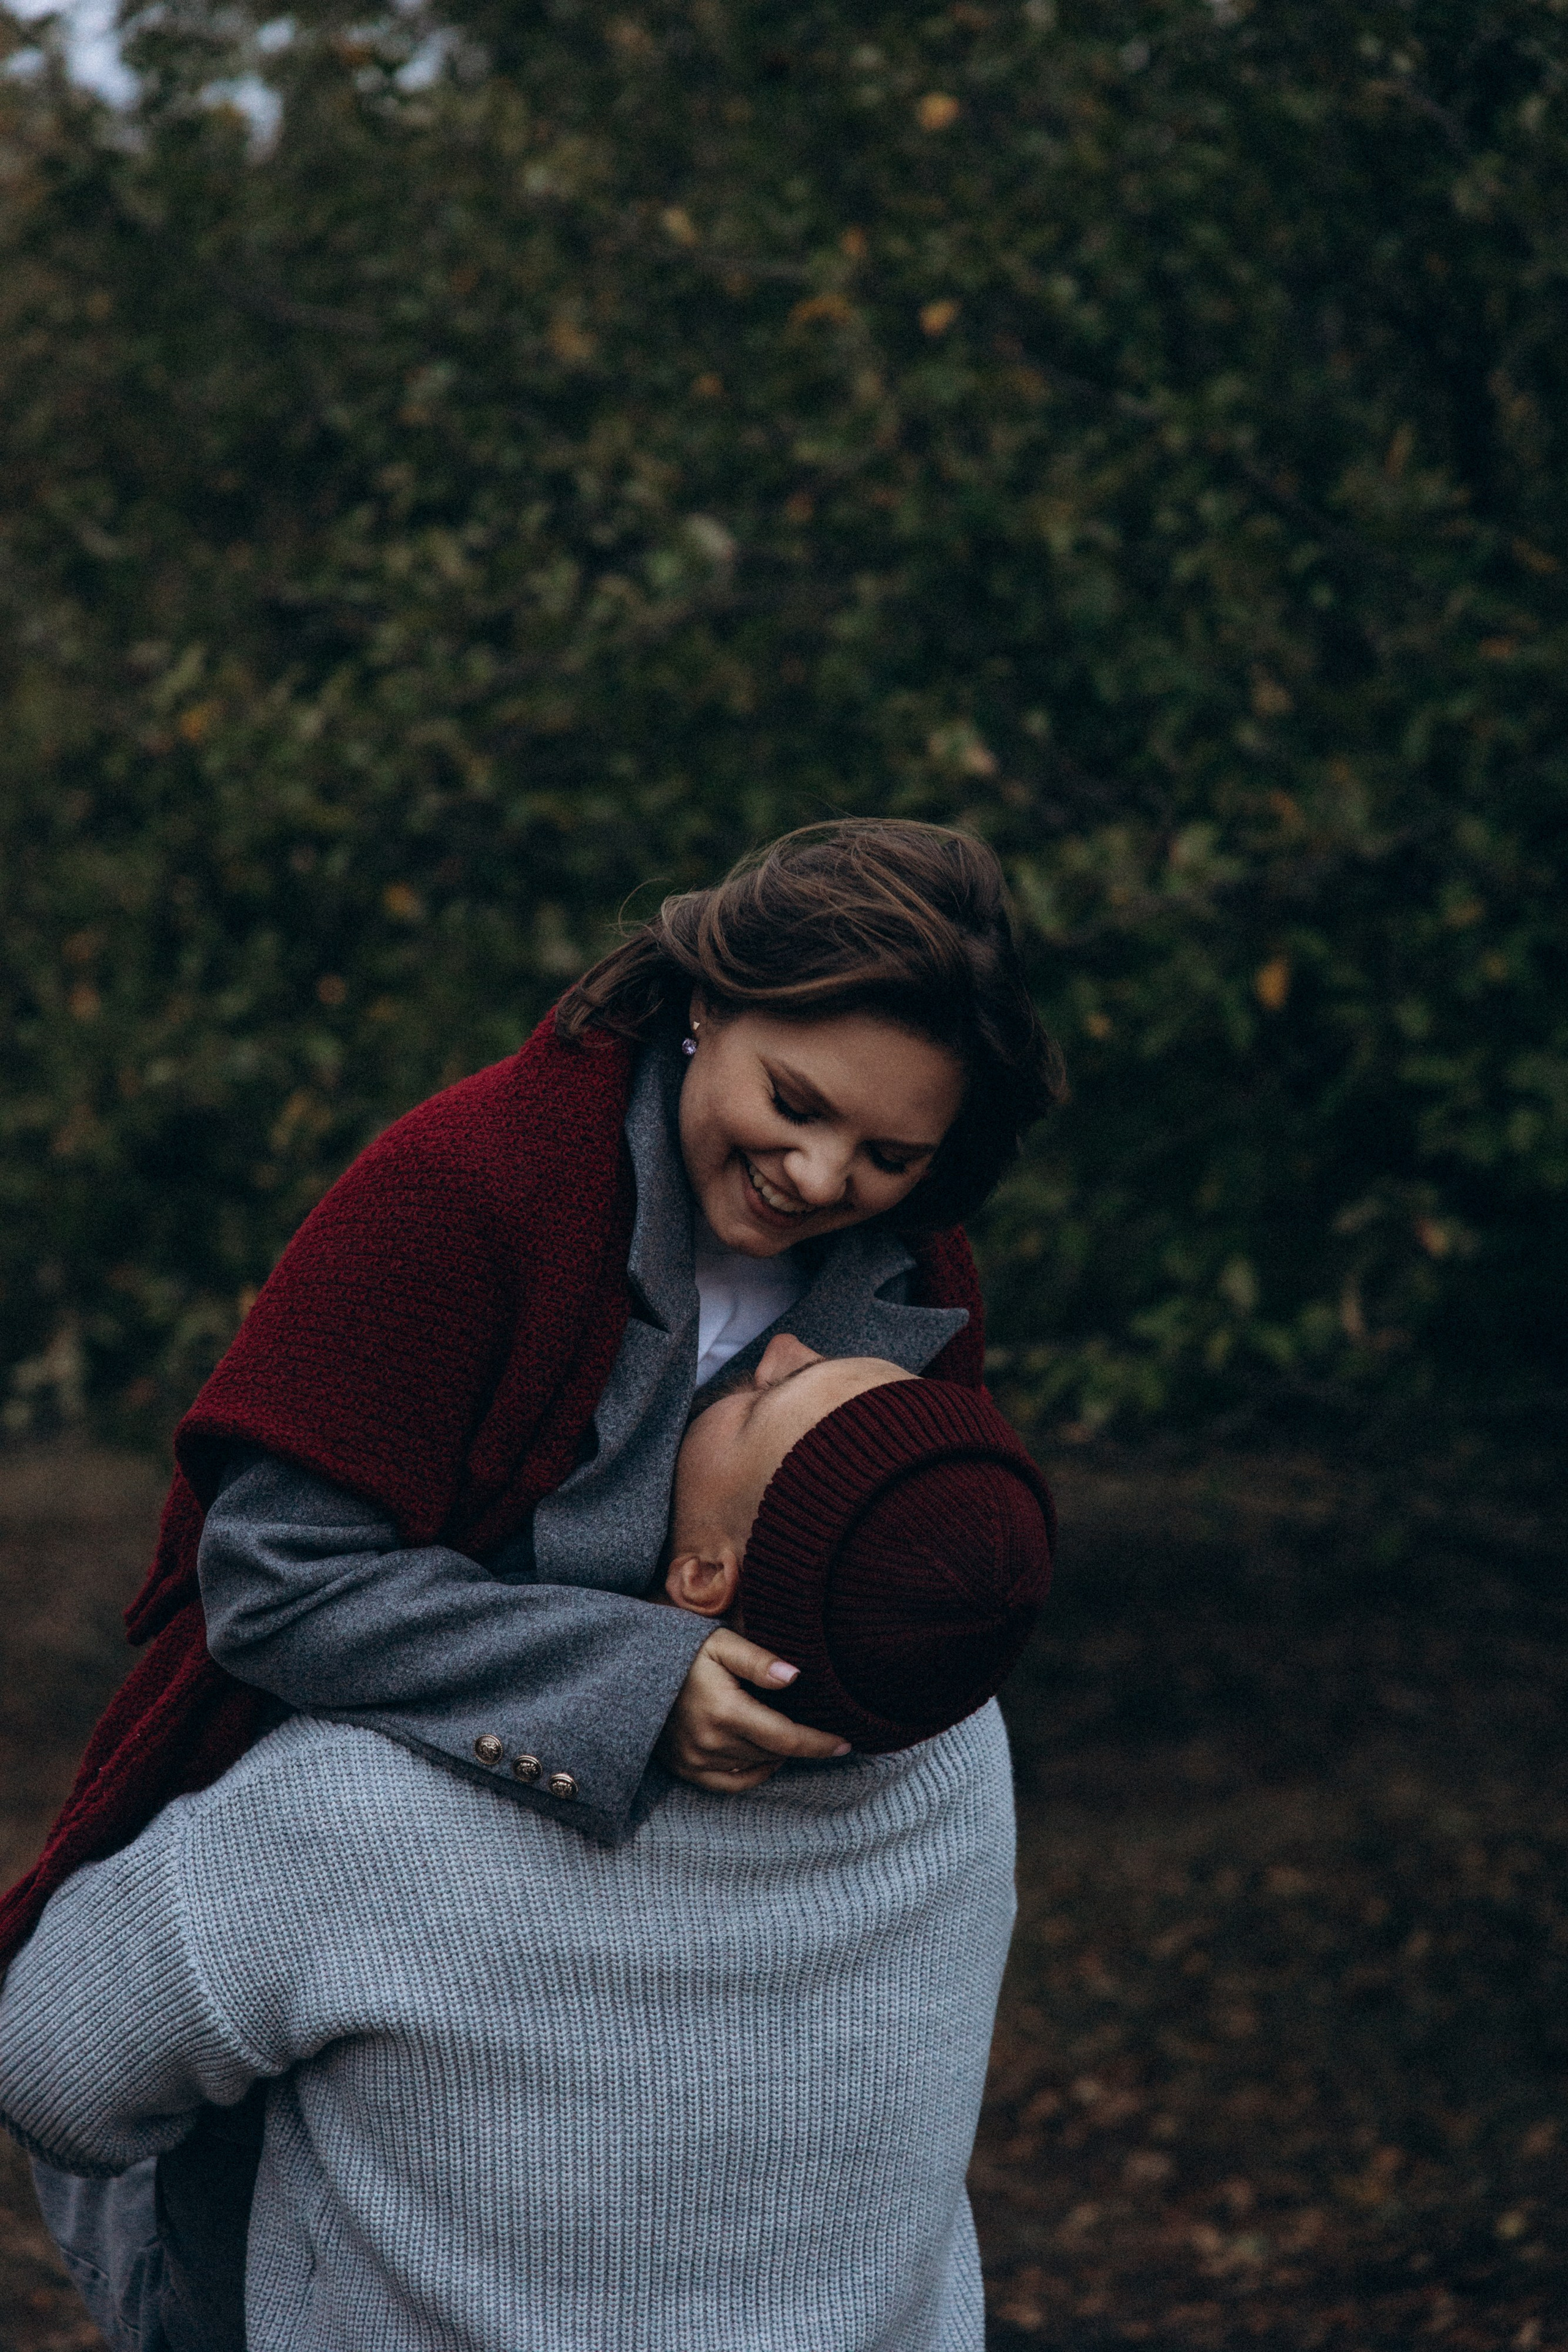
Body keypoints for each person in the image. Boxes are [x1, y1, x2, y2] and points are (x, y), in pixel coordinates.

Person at [4, 818, 1062, 2341]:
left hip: (685, 1953)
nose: (821, 1173)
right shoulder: (463, 1193)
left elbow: (900, 1565)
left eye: (890, 1155)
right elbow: (274, 1580)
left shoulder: (911, 1265)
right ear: (709, 1001)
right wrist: (632, 1683)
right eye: (793, 1103)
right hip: (401, 1844)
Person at [4, 1341, 1055, 2352]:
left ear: (704, 1579)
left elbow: (48, 2074)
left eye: (763, 1402)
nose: (778, 1347)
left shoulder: (366, 1811)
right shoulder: (959, 1763)